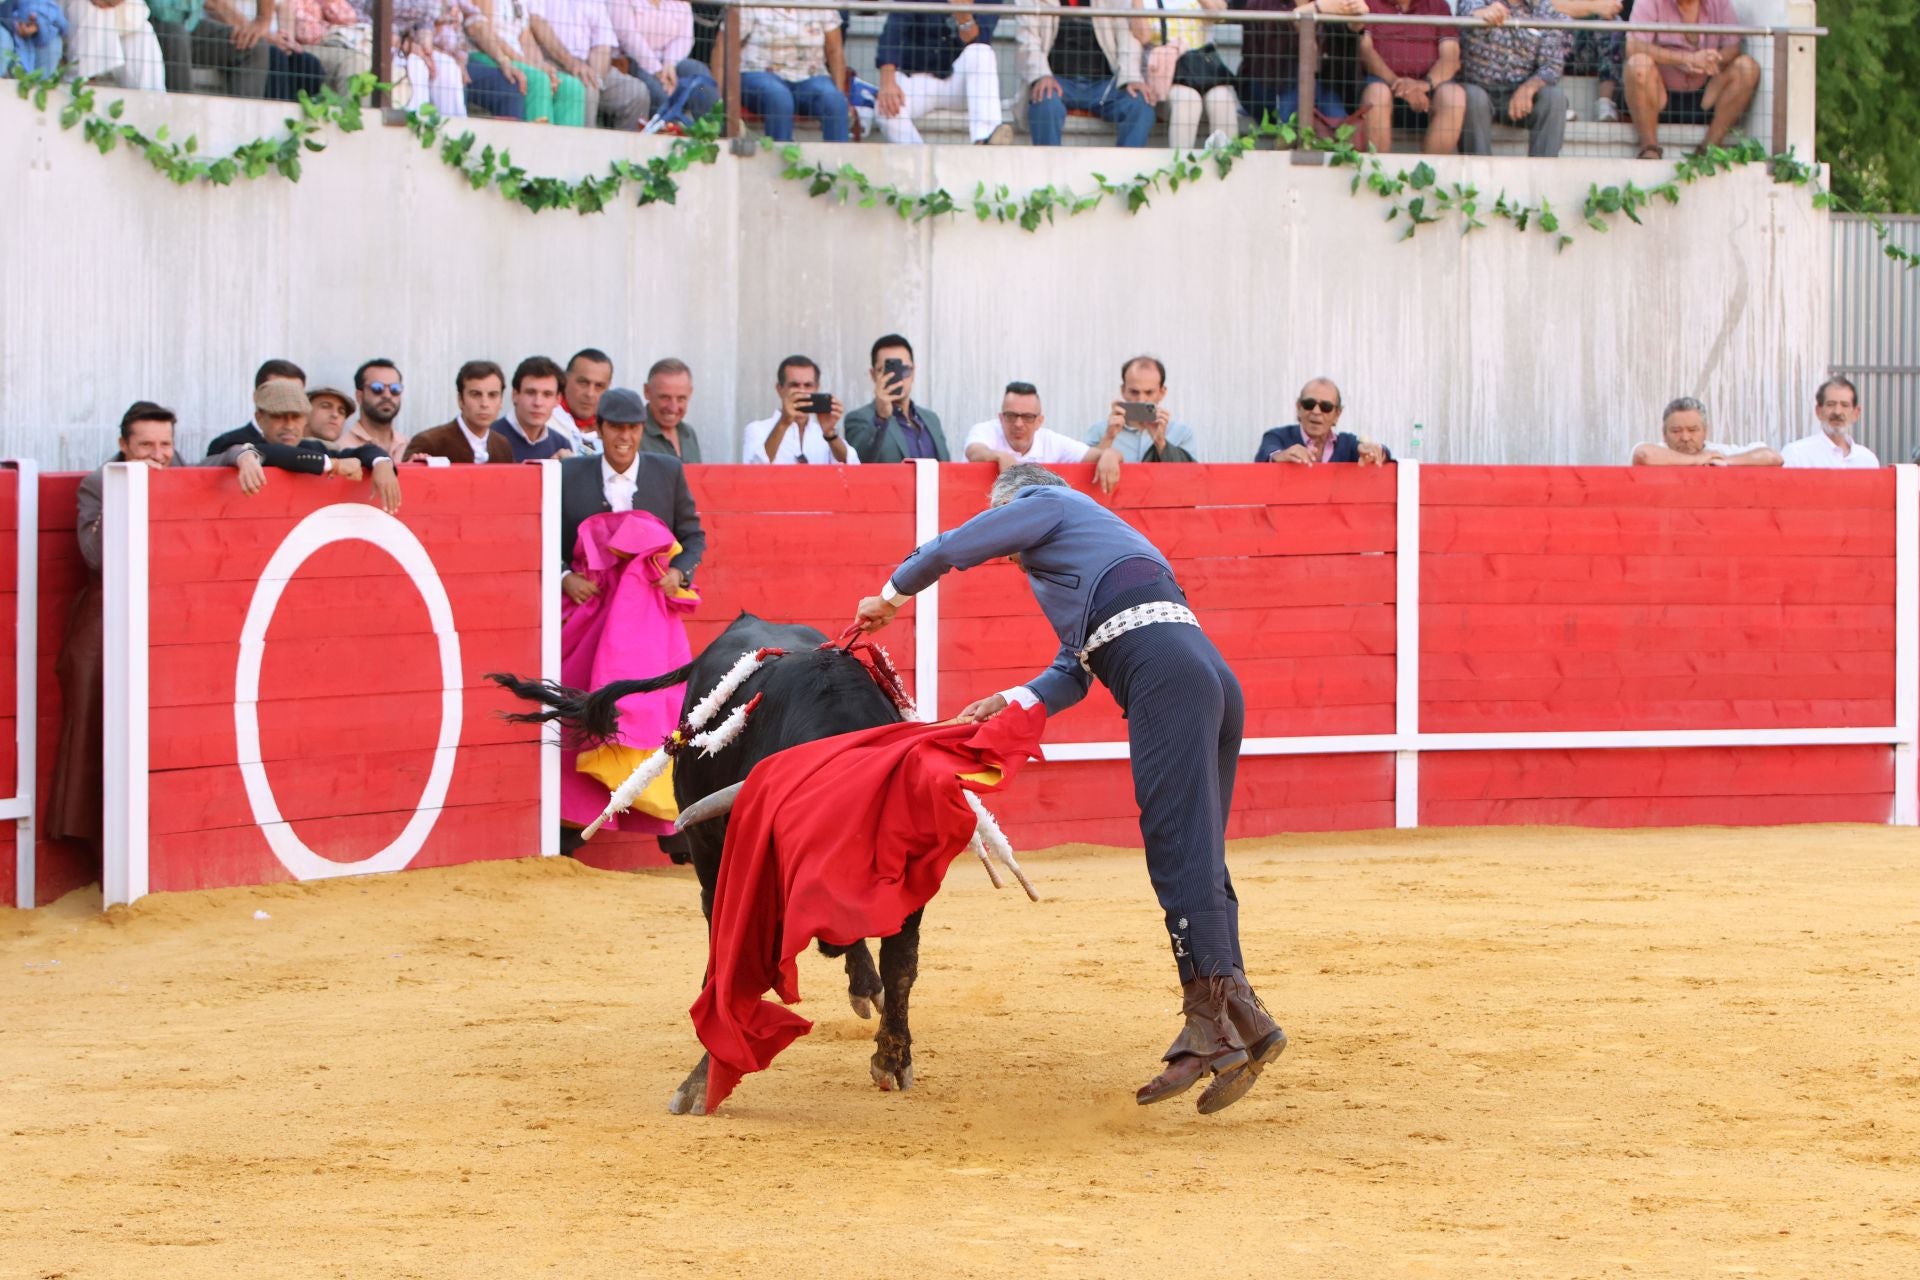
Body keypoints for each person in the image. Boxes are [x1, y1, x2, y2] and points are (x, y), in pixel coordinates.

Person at [853, 464, 1287, 1115]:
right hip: (1208, 677)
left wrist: (891, 594)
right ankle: (1244, 1017)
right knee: (1199, 853)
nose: (1011, 556)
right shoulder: (1095, 544)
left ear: (1016, 502)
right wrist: (1009, 700)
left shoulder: (1047, 502)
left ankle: (1209, 1025)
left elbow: (954, 546)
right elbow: (1076, 669)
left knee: (1177, 848)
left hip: (1166, 677)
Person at [556, 386, 706, 852]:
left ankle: (672, 833)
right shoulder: (570, 475)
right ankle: (572, 828)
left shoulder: (667, 471)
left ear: (642, 430)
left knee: (657, 708)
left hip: (648, 618)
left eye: (632, 428)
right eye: (616, 428)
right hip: (592, 615)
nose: (624, 437)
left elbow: (692, 536)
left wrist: (679, 572)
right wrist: (564, 577)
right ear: (599, 429)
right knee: (585, 706)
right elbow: (548, 538)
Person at [48, 402, 177, 865]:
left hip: (168, 619)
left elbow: (227, 455)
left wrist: (244, 455)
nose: (158, 455)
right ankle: (103, 857)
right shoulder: (101, 483)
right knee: (99, 731)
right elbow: (96, 555)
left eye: (165, 444)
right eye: (146, 445)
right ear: (124, 445)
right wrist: (136, 488)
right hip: (107, 620)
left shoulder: (186, 476)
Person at [208, 380, 405, 512]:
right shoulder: (233, 443)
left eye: (296, 417)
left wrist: (381, 463)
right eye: (278, 417)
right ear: (260, 418)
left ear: (306, 419)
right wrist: (333, 465)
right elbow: (255, 451)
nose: (289, 425)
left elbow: (361, 452)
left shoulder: (311, 447)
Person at [1621, 0, 1759, 159]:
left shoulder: (1720, 3)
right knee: (1638, 64)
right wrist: (1686, 59)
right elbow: (1633, 46)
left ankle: (1709, 149)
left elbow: (1733, 48)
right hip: (1659, 96)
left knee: (1747, 68)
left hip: (1706, 95)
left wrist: (1711, 60)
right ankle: (1649, 148)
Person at [1018, 0, 1156, 147]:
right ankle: (1049, 161)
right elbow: (1028, 40)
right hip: (1057, 83)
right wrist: (1041, 75)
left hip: (1104, 86)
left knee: (1140, 104)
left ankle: (1126, 162)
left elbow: (1127, 39)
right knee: (1044, 100)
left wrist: (1132, 77)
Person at [874, 0, 1009, 146]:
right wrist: (887, 82)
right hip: (917, 78)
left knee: (981, 51)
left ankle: (986, 138)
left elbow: (980, 39)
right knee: (885, 109)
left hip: (960, 83)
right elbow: (892, 33)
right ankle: (920, 155)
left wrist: (962, 13)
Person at [1455, 0, 1569, 158]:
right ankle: (1479, 171)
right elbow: (1467, 12)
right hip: (1477, 87)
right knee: (1471, 97)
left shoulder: (1544, 9)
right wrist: (1483, 14)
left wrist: (1528, 88)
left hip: (1520, 94)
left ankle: (1543, 170)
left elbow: (1552, 65)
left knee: (1554, 97)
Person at [967, 381, 1122, 492]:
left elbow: (1093, 456)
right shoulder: (985, 430)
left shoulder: (1051, 441)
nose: (1018, 424)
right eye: (1011, 416)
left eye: (1027, 417)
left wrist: (1111, 454)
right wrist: (999, 456)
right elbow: (973, 451)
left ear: (1039, 421)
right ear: (1001, 418)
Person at [727, 4, 850, 141]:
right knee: (779, 97)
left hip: (810, 76)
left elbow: (835, 51)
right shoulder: (750, 3)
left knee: (835, 101)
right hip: (758, 72)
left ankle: (838, 155)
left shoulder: (821, 4)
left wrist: (840, 94)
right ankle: (780, 153)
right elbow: (725, 48)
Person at [1357, 0, 1466, 154]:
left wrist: (1424, 85)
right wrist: (1398, 84)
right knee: (1377, 93)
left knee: (1455, 96)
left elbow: (1451, 57)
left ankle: (1429, 168)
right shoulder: (1369, 4)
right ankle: (1378, 167)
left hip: (1428, 89)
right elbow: (1365, 51)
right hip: (1383, 82)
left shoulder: (1438, 6)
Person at [1237, 0, 1366, 129]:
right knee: (1299, 76)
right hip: (1268, 88)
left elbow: (1349, 34)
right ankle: (1289, 133)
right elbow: (1273, 49)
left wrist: (1356, 15)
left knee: (1335, 113)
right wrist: (1316, 8)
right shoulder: (1262, 3)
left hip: (1323, 86)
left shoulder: (1330, 3)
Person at [1130, 0, 1239, 151]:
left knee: (1222, 99)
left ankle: (1226, 160)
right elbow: (1143, 36)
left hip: (1204, 73)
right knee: (1187, 99)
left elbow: (1219, 12)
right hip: (1167, 80)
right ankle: (1181, 162)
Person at [528, 0, 649, 128]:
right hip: (551, 62)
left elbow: (603, 44)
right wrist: (573, 63)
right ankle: (585, 141)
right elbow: (537, 23)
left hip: (591, 65)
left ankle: (625, 142)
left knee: (637, 92)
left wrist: (596, 77)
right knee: (588, 88)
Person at [467, 0, 585, 125]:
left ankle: (567, 138)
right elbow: (485, 33)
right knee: (539, 80)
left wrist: (542, 66)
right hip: (490, 55)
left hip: (519, 60)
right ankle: (537, 136)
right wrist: (528, 63)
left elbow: (526, 39)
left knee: (572, 86)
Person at [609, 0, 718, 130]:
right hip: (633, 60)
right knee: (660, 94)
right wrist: (657, 70)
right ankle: (673, 134)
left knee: (698, 73)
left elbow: (684, 38)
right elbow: (628, 37)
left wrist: (669, 64)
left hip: (670, 63)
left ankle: (715, 130)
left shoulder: (682, 3)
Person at [845, 335, 948, 463]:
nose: (897, 378)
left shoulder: (931, 419)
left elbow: (946, 466)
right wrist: (881, 418)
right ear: (873, 375)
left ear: (913, 372)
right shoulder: (859, 419)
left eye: (904, 369)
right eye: (888, 370)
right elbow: (858, 464)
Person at [741, 355, 859, 465]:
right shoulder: (757, 430)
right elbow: (753, 470)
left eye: (808, 385)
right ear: (779, 389)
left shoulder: (823, 433)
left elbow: (852, 467)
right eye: (794, 385)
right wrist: (783, 423)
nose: (802, 392)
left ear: (816, 388)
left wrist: (830, 433)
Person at [1085, 354, 1197, 463]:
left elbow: (1191, 473)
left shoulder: (1181, 433)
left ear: (1162, 393)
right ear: (1123, 391)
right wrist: (1109, 437)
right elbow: (1081, 471)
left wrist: (1160, 442)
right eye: (1134, 392)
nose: (1141, 400)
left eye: (1149, 392)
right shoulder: (1100, 431)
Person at [149, 0, 274, 97]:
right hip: (153, 24)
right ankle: (184, 117)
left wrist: (262, 20)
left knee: (254, 47)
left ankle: (241, 121)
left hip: (189, 25)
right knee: (175, 34)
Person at [1254, 377, 1391, 464]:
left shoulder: (1347, 444)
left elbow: (1384, 456)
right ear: (1298, 408)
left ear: (1337, 414)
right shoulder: (1278, 436)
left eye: (1326, 407)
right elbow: (1266, 455)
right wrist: (1282, 456)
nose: (1316, 411)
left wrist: (1375, 452)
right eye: (1309, 404)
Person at [404, 360, 517, 463]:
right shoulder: (429, 442)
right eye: (475, 394)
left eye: (492, 395)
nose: (484, 404)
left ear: (501, 401)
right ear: (460, 400)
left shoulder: (502, 445)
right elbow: (405, 476)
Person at [1629, 397, 1781, 466]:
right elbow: (1643, 455)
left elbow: (1772, 458)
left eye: (1693, 430)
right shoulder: (1659, 452)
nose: (1685, 437)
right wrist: (1697, 460)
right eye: (1676, 431)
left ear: (1705, 431)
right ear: (1664, 433)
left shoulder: (1717, 453)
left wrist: (1727, 462)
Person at [1781, 378, 1880, 469]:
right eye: (1830, 404)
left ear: (1856, 413)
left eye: (1845, 405)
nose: (1837, 412)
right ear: (1818, 411)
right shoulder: (1796, 454)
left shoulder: (1868, 460)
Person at [499, 355, 576, 461]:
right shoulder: (489, 440)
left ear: (558, 399)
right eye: (530, 393)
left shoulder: (561, 445)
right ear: (515, 395)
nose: (538, 403)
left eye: (547, 394)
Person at [1562, 0, 1627, 123]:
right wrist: (1595, 7)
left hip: (1594, 51)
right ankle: (1558, 104)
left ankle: (1605, 104)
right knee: (1555, 19)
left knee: (1614, 22)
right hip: (1563, 47)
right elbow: (1551, 6)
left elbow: (1613, 6)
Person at [292, 0, 372, 97]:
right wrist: (328, 27)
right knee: (355, 62)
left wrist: (330, 3)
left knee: (364, 60)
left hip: (338, 43)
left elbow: (349, 18)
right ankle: (349, 105)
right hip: (302, 47)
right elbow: (307, 35)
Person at [340, 357, 411, 461]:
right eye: (377, 388)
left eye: (395, 389)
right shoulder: (342, 448)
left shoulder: (408, 446)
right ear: (359, 396)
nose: (387, 395)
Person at [550, 347, 613, 454]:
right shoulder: (544, 423)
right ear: (565, 379)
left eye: (599, 386)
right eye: (583, 383)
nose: (590, 394)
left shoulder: (614, 430)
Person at [640, 357, 702, 461]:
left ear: (690, 393)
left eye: (681, 398)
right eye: (665, 397)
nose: (673, 407)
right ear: (647, 392)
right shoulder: (632, 436)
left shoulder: (689, 434)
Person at [3, 0, 65, 74]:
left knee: (52, 41)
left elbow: (56, 17)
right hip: (6, 23)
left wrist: (38, 21)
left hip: (31, 19)